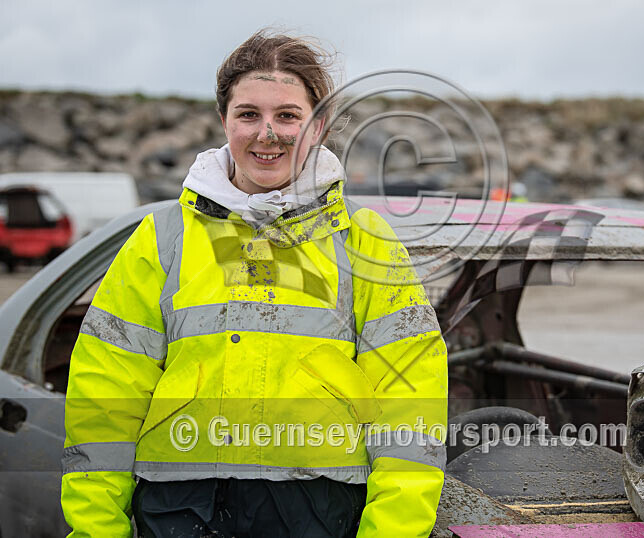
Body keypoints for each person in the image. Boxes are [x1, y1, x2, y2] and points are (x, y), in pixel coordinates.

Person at [60, 30, 448, 537]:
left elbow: (411, 400)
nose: (268, 134)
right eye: (249, 114)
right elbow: (104, 396)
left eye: (288, 115)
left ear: (319, 125)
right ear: (225, 120)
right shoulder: (163, 239)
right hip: (179, 507)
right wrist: (96, 529)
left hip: (319, 508)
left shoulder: (362, 240)